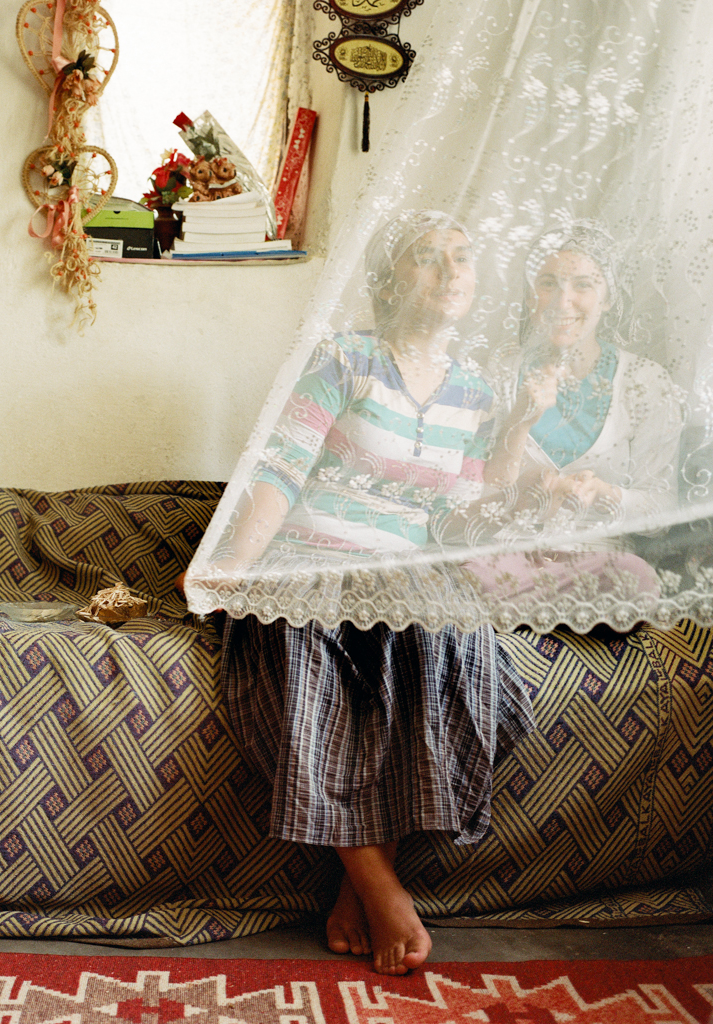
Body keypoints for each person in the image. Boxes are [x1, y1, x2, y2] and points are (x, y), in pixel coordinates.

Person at [210, 211, 533, 975]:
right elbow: (281, 469)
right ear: (391, 280)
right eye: (428, 258)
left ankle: (359, 888)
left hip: (409, 571)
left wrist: (522, 427)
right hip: (313, 557)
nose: (451, 271)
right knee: (304, 669)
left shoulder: (479, 393)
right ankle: (379, 886)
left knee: (460, 664)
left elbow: (471, 507)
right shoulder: (346, 358)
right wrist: (233, 571)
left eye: (462, 258)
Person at [476, 222, 682, 597]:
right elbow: (478, 489)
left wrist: (603, 493)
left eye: (583, 285)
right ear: (529, 296)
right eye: (548, 283)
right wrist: (519, 423)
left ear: (607, 299)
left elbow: (661, 514)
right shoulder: (502, 372)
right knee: (469, 578)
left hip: (597, 564)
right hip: (507, 558)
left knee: (636, 577)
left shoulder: (646, 381)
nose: (562, 300)